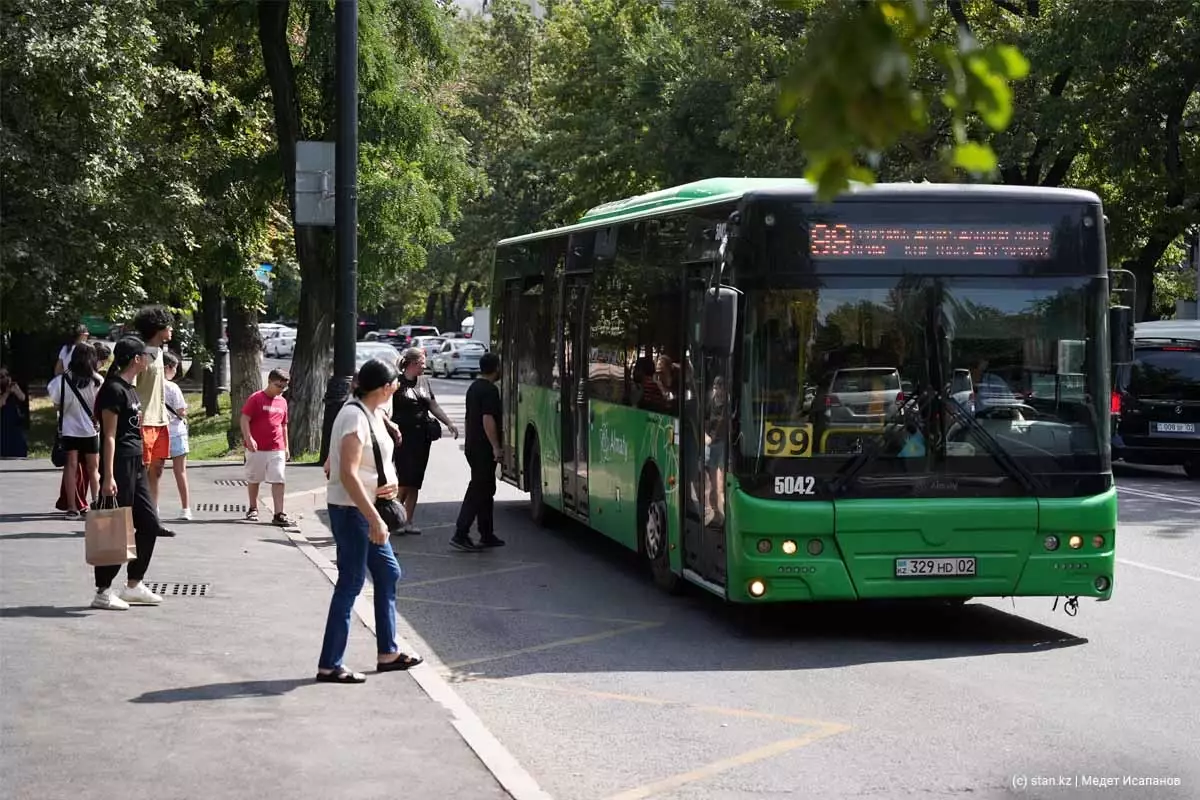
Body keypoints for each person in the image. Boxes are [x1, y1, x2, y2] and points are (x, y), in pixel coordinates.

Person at [317, 358, 423, 683]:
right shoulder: (354, 417)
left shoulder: (372, 411)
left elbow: (336, 464)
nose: (398, 389)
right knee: (350, 582)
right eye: (395, 384)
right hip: (354, 512)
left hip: (364, 507)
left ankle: (388, 653)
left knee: (388, 573)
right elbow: (345, 474)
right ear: (385, 387)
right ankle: (330, 664)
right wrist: (374, 517)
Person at [92, 337, 166, 610]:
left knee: (149, 524)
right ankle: (103, 591)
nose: (148, 360)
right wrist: (107, 476)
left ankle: (133, 585)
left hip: (136, 464)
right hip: (119, 464)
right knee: (116, 527)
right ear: (137, 359)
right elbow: (108, 437)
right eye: (146, 355)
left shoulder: (131, 390)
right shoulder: (113, 390)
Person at [391, 347, 457, 534]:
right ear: (412, 363)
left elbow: (433, 405)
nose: (424, 366)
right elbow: (385, 409)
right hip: (403, 438)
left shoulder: (424, 382)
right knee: (404, 481)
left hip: (422, 439)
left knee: (415, 482)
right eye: (421, 362)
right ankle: (394, 520)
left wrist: (449, 423)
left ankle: (408, 522)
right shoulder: (396, 383)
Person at [451, 353, 505, 552]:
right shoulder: (490, 390)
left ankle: (486, 533)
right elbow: (487, 419)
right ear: (496, 368)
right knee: (478, 489)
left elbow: (467, 418)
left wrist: (468, 442)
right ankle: (461, 532)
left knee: (486, 489)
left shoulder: (473, 387)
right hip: (483, 448)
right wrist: (495, 447)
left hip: (473, 445)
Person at [130, 306, 175, 525]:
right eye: (168, 326)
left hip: (161, 421)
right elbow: (128, 385)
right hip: (144, 421)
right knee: (141, 472)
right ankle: (139, 516)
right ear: (158, 329)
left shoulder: (159, 354)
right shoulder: (142, 355)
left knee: (157, 471)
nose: (172, 330)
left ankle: (152, 515)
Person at [47, 343, 103, 519]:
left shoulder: (62, 380)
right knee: (93, 469)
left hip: (69, 430)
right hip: (91, 430)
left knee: (71, 467)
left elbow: (56, 404)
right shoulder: (98, 381)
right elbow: (100, 407)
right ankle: (97, 505)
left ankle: (72, 508)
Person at [240, 369, 295, 526]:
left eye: (284, 387)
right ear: (269, 382)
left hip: (276, 447)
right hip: (257, 448)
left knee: (279, 478)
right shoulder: (256, 398)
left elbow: (283, 425)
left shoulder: (282, 402)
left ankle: (278, 513)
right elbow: (244, 419)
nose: (281, 390)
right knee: (254, 478)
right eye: (278, 386)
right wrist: (248, 437)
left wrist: (286, 446)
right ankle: (253, 508)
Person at [162, 352, 191, 520]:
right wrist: (185, 413)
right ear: (168, 367)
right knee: (180, 471)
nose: (175, 372)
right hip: (176, 432)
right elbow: (181, 410)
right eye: (175, 368)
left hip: (158, 432)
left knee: (153, 473)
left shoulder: (151, 385)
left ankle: (154, 506)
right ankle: (185, 508)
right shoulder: (172, 387)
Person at [0, 366, 28, 458]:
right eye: (2, 376)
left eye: (7, 375)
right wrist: (7, 392)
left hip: (14, 421)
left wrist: (15, 390)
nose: (5, 378)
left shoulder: (13, 386)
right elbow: (2, 403)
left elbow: (22, 397)